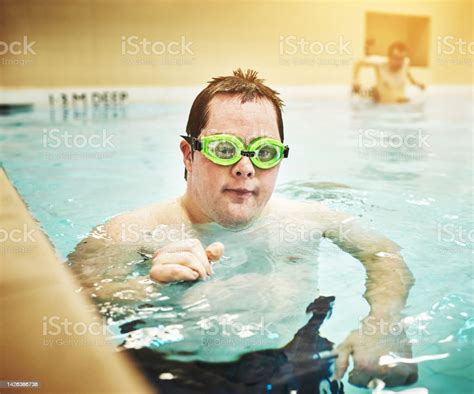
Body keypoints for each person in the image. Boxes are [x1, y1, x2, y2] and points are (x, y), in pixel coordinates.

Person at [68, 68, 417, 390]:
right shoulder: (128, 234)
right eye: (224, 149)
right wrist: (150, 291)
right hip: (171, 371)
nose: (245, 168)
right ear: (188, 154)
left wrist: (384, 322)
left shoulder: (311, 220)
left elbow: (383, 256)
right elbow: (64, 312)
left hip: (293, 358)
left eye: (264, 152)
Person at [352, 41, 425, 103]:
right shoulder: (380, 63)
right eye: (396, 58)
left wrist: (417, 83)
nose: (399, 62)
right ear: (389, 57)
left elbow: (408, 73)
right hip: (383, 107)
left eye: (401, 58)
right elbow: (358, 63)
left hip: (401, 105)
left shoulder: (405, 62)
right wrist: (356, 80)